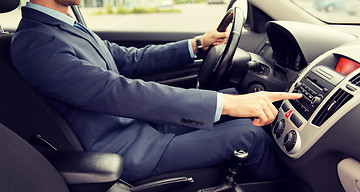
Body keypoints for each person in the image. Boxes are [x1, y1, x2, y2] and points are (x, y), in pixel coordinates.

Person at [10, 0, 302, 182]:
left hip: (139, 127)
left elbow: (129, 60)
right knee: (246, 135)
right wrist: (224, 105)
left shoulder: (64, 27)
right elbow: (115, 92)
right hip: (126, 149)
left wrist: (199, 44)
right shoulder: (36, 42)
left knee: (234, 96)